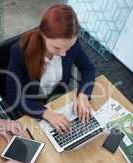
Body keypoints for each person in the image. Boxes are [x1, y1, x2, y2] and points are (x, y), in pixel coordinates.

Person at [6, 4, 96, 133]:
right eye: (57, 48)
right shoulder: (20, 51)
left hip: (58, 99)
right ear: (43, 35)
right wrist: (46, 113)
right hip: (31, 104)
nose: (64, 53)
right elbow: (13, 94)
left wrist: (83, 94)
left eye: (68, 47)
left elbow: (88, 69)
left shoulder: (71, 43)